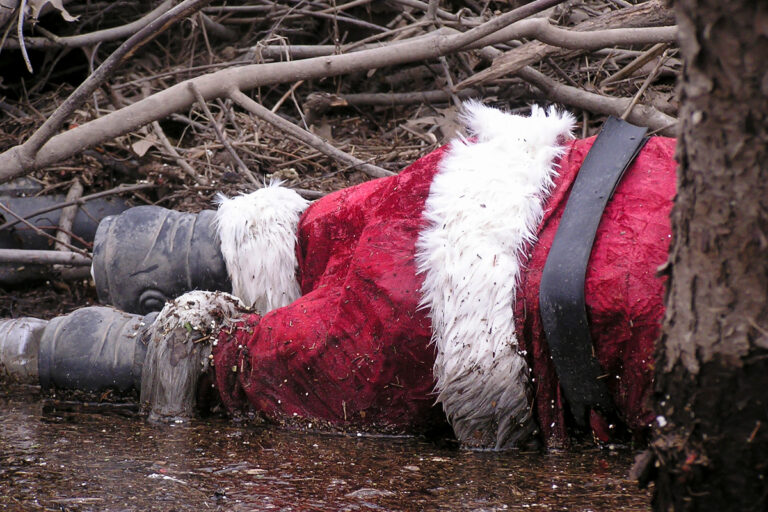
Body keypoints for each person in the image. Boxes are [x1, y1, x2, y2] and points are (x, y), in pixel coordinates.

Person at [140, 101, 676, 451]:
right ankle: (127, 342)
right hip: (485, 282)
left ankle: (136, 310)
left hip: (498, 208)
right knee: (273, 350)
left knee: (308, 286)